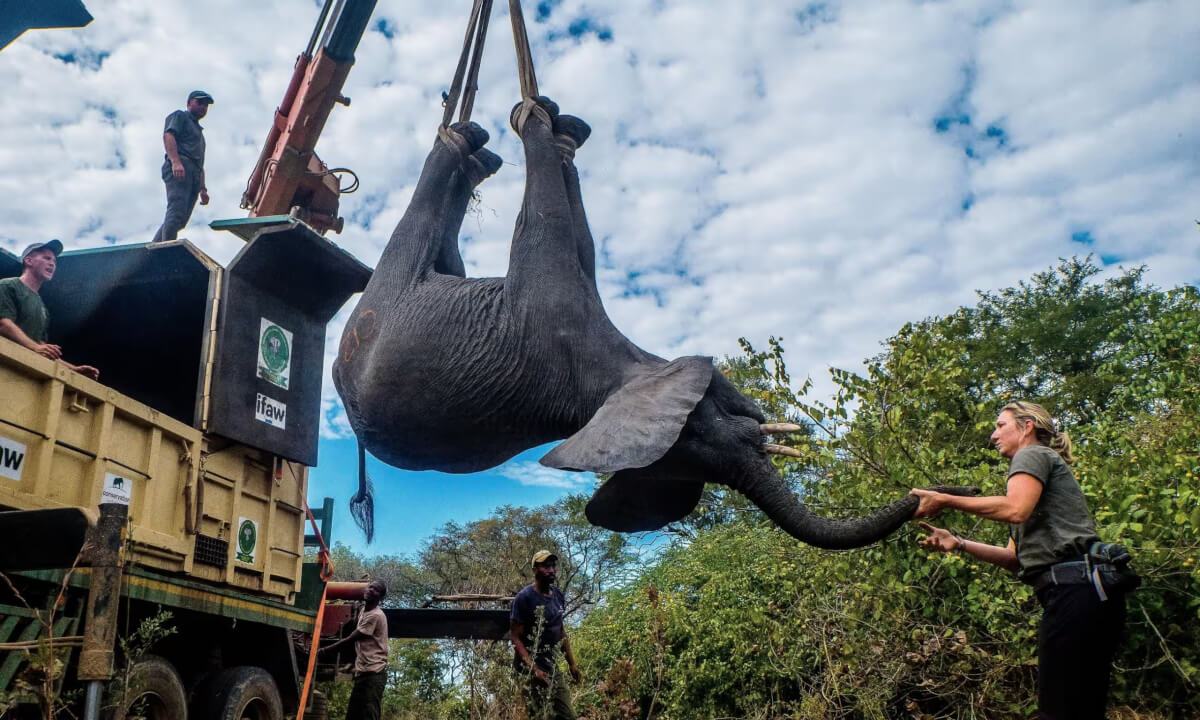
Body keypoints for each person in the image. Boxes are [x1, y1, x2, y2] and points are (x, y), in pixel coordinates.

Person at [911, 400, 1130, 720]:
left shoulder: (1032, 455)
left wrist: (945, 500)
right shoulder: (1039, 471)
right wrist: (957, 543)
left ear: (1027, 426)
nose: (993, 434)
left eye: (1000, 425)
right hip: (1085, 593)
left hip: (1076, 592)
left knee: (1057, 712)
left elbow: (1015, 508)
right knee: (1081, 710)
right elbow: (1015, 559)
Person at [0, 240, 99, 380]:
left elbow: (41, 346)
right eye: (46, 258)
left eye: (54, 260)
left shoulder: (42, 307)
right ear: (29, 261)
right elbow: (4, 324)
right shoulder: (7, 286)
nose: (52, 263)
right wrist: (36, 348)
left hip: (20, 373)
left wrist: (73, 369)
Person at [510, 550, 581, 720]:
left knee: (567, 715)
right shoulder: (524, 598)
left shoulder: (557, 595)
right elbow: (515, 637)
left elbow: (560, 631)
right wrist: (534, 670)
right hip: (529, 672)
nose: (551, 570)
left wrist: (572, 664)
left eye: (553, 566)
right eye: (546, 566)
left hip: (552, 668)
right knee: (539, 715)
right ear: (535, 569)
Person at [320, 580, 388, 720]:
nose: (370, 590)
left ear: (380, 598)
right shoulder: (364, 610)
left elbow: (351, 639)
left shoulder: (375, 615)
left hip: (373, 675)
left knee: (369, 715)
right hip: (362, 673)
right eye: (370, 587)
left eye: (376, 590)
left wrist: (324, 650)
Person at [152, 90, 213, 243]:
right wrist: (175, 162)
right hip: (181, 166)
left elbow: (200, 164)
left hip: (194, 173)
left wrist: (203, 189)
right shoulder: (180, 116)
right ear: (189, 103)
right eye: (199, 103)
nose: (203, 107)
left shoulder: (200, 135)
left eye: (206, 105)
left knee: (180, 220)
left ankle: (155, 248)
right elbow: (169, 135)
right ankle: (167, 249)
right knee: (176, 211)